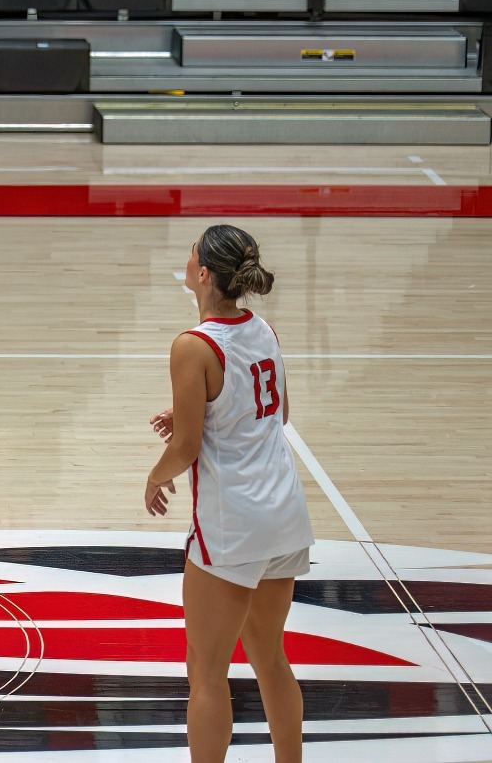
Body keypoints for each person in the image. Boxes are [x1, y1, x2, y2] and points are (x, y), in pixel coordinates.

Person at [145, 225, 310, 763]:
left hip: (233, 523)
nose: (186, 258)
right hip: (284, 513)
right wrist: (202, 408)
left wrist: (155, 475)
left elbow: (187, 448)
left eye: (191, 253)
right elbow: (277, 413)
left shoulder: (192, 346)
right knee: (270, 657)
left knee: (207, 673)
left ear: (206, 274)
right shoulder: (264, 329)